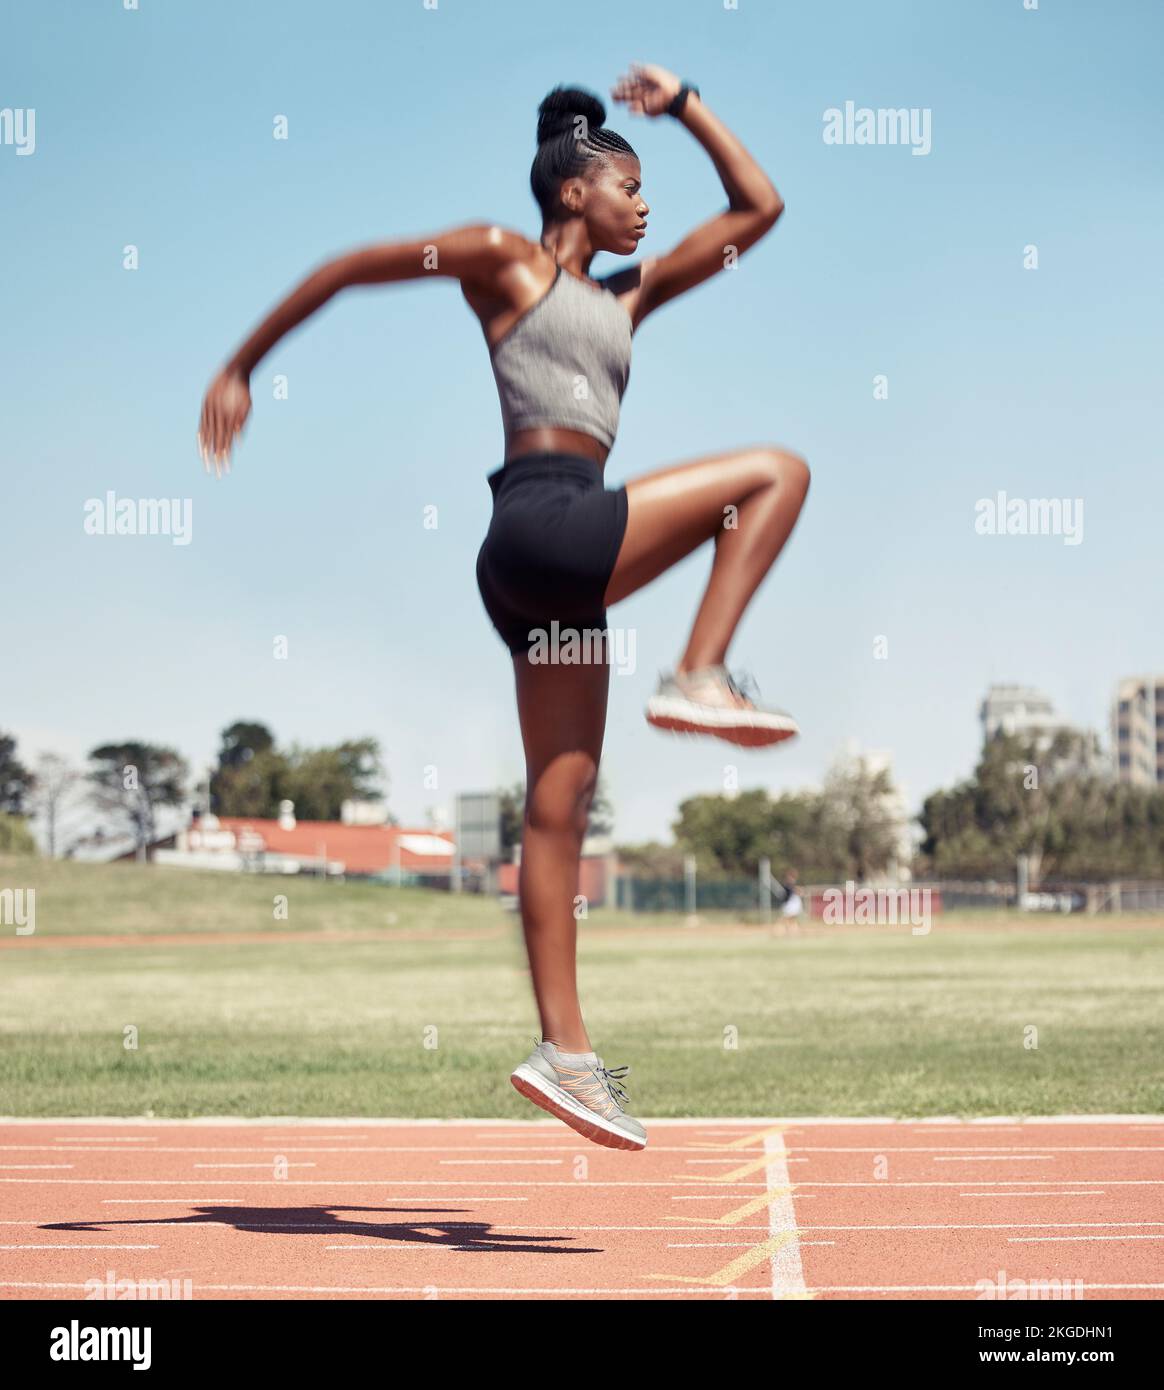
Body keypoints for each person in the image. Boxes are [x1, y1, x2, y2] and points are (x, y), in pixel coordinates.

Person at [197, 64, 810, 1153]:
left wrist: (688, 104)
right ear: (575, 190)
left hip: (545, 576)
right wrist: (244, 362)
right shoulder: (501, 259)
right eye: (628, 183)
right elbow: (347, 268)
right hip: (544, 524)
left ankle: (564, 1052)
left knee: (559, 809)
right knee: (774, 472)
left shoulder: (637, 294)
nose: (645, 205)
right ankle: (701, 670)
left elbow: (760, 210)